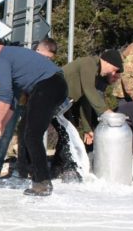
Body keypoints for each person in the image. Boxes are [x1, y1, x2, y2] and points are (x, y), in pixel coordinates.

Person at [0, 30, 68, 197]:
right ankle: (25, 173)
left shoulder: (2, 57)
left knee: (32, 135)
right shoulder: (12, 56)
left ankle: (42, 182)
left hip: (48, 86)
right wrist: (3, 125)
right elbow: (12, 100)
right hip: (53, 85)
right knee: (24, 130)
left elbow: (4, 93)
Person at [0, 37, 58, 180]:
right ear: (38, 50)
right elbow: (9, 88)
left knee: (27, 137)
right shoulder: (23, 59)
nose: (46, 61)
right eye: (45, 57)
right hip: (14, 103)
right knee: (4, 135)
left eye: (49, 59)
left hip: (30, 104)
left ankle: (24, 171)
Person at [52, 49, 124, 182]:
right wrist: (105, 111)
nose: (113, 73)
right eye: (114, 69)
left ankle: (58, 169)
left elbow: (85, 100)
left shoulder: (94, 72)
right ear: (106, 62)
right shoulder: (88, 63)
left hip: (64, 104)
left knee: (67, 135)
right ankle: (65, 169)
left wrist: (87, 129)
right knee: (66, 135)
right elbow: (89, 90)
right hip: (52, 99)